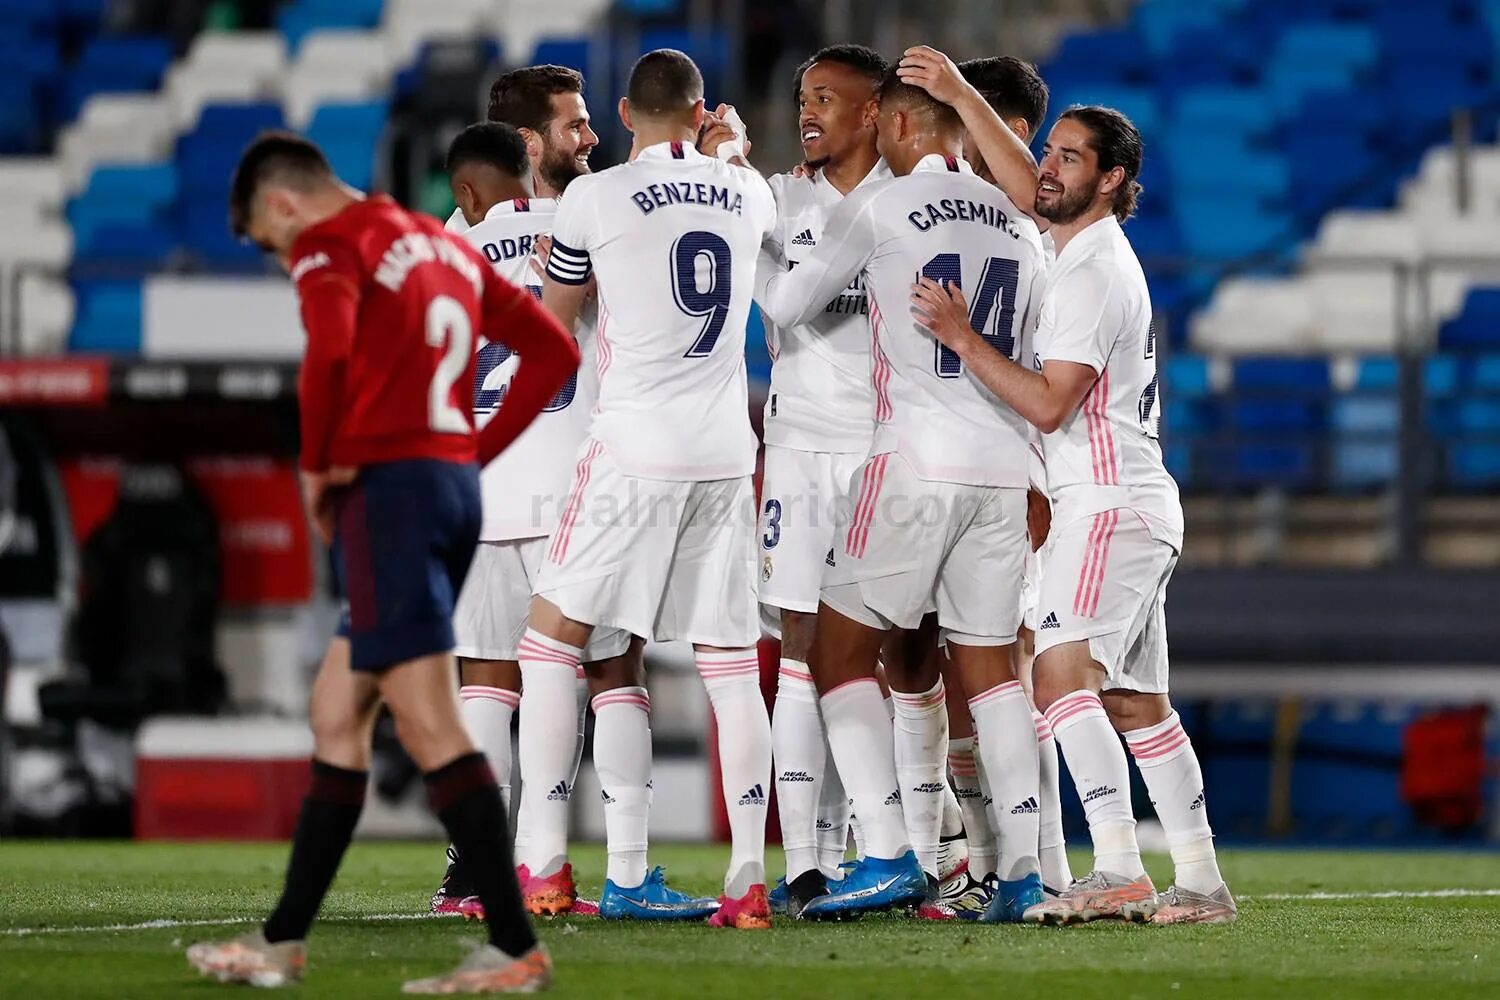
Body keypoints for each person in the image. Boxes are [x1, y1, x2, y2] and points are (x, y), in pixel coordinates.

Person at [186, 132, 580, 993]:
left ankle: (514, 948)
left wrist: (317, 469)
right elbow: (555, 350)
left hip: (388, 495)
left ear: (284, 205)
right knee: (338, 711)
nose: (279, 256)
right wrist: (468, 454)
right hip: (444, 488)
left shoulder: (333, 245)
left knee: (431, 724)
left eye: (268, 240)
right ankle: (283, 939)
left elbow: (327, 353)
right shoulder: (434, 239)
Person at [900, 44, 1236, 925]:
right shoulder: (1079, 243)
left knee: (1059, 678)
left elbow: (1051, 405)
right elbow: (1019, 187)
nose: (1046, 168)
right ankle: (1200, 881)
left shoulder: (1091, 273)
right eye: (1049, 151)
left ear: (1112, 176)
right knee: (1134, 701)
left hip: (1107, 503)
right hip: (1130, 501)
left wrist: (965, 338)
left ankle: (1119, 867)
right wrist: (963, 94)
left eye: (1068, 158)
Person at [755, 67, 1048, 923]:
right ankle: (1021, 873)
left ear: (905, 129)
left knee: (836, 656)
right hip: (1002, 470)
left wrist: (775, 245)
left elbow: (789, 301)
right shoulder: (1021, 224)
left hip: (912, 458)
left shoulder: (880, 209)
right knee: (992, 677)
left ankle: (885, 852)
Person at [524, 48, 778, 930]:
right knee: (733, 667)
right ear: (703, 111)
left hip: (632, 445)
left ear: (626, 115)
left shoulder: (593, 198)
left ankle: (542, 866)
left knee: (552, 644)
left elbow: (553, 331)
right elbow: (736, 181)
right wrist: (731, 150)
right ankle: (748, 879)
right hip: (721, 450)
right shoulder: (750, 191)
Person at [433, 71, 650, 925]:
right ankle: (623, 867)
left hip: (483, 490)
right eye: (576, 126)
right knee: (611, 671)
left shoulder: (450, 241)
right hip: (577, 489)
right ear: (529, 144)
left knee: (485, 684)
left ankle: (475, 872)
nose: (589, 139)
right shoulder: (588, 224)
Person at [753, 42, 890, 918]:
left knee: (886, 657)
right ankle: (805, 858)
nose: (810, 112)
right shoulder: (775, 199)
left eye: (830, 99)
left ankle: (892, 850)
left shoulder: (903, 204)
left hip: (884, 450)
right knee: (801, 644)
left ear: (873, 113)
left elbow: (784, 302)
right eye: (805, 96)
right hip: (800, 447)